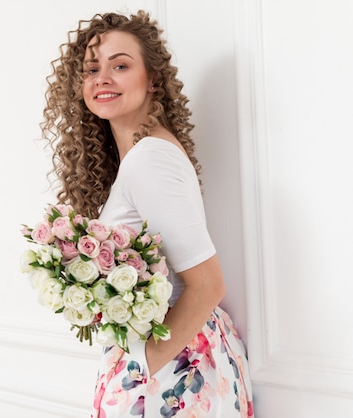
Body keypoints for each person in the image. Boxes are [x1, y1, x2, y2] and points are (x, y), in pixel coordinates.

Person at [39, 10, 254, 418]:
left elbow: (207, 285)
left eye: (120, 65)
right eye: (91, 69)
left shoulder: (151, 158)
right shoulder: (142, 156)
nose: (102, 77)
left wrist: (140, 367)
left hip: (175, 370)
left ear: (153, 78)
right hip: (176, 361)